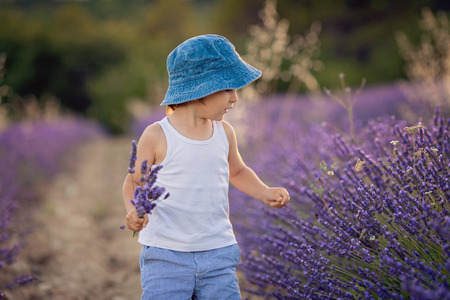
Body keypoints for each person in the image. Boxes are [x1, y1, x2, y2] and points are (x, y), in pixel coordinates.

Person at [122, 34, 290, 300]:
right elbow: (134, 182)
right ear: (202, 89)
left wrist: (264, 191)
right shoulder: (157, 135)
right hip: (166, 255)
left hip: (218, 251)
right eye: (228, 90)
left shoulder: (225, 132)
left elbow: (237, 171)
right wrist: (133, 211)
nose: (235, 98)